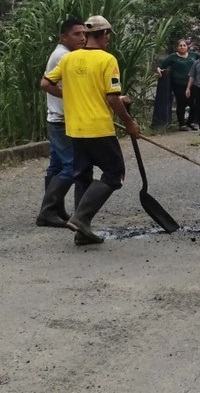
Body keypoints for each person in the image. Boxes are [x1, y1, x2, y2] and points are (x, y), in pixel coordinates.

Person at [38, 15, 142, 246]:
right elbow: (112, 97)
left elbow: (45, 83)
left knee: (82, 176)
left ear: (87, 35)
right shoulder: (107, 60)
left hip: (75, 128)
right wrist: (129, 123)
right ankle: (81, 217)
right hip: (98, 128)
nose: (108, 40)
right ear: (103, 34)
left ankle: (82, 232)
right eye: (108, 35)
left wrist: (71, 97)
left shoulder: (69, 59)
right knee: (114, 174)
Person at [35, 16, 89, 228]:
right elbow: (46, 84)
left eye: (84, 33)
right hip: (61, 119)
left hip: (58, 117)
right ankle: (48, 211)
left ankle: (55, 209)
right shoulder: (63, 56)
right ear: (63, 37)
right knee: (72, 165)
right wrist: (69, 97)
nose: (82, 38)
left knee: (56, 166)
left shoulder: (66, 54)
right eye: (77, 34)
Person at [157, 37, 195, 128]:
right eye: (180, 45)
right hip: (178, 84)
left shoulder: (193, 55)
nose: (182, 47)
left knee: (194, 104)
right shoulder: (173, 57)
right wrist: (159, 70)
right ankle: (182, 124)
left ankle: (190, 122)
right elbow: (162, 65)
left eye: (184, 45)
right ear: (177, 47)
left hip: (192, 84)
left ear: (187, 47)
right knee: (181, 103)